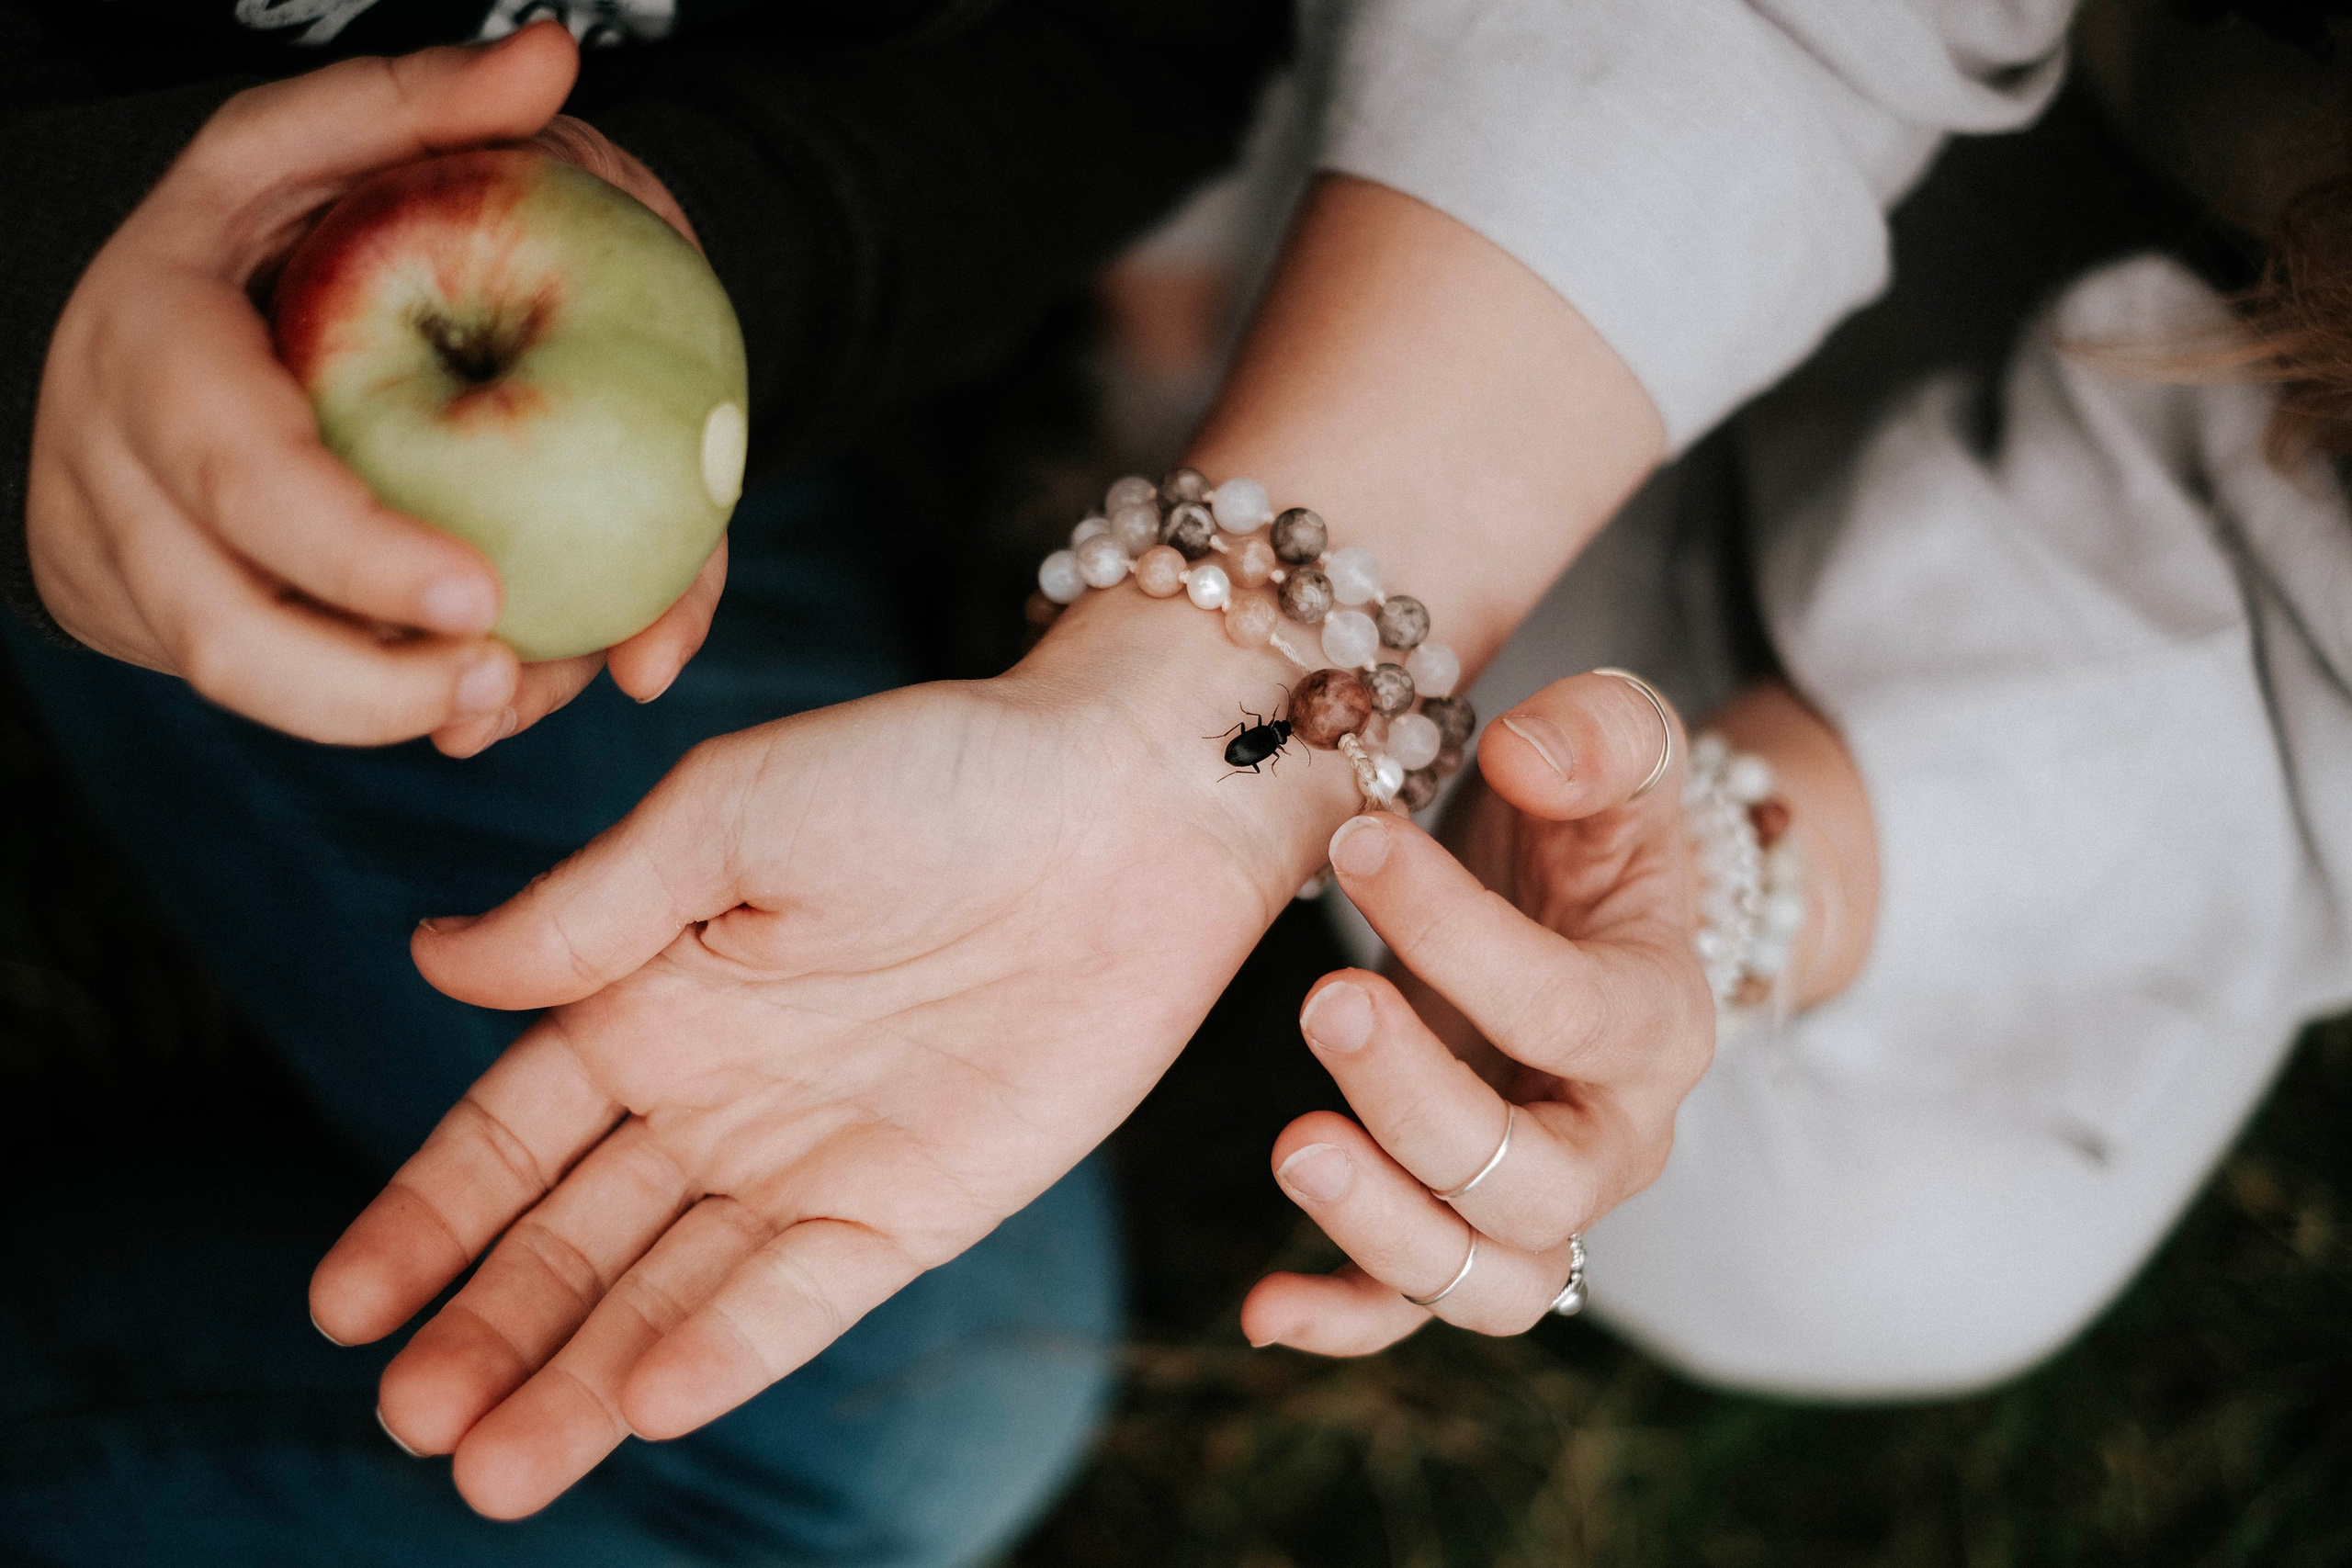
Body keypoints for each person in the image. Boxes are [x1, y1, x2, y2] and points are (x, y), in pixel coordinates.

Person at [2, 6, 1287, 1563]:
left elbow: (1166, 38)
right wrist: (47, 324)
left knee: (923, 1399)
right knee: (894, 1424)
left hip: (673, 354)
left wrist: (704, 236)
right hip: (172, 387)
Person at [1242, 0, 2352, 1399]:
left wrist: (1742, 863)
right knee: (1353, 594)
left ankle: (1291, 430)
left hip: (2213, 436)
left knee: (1877, 1257)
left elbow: (2308, 679)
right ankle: (1244, 342)